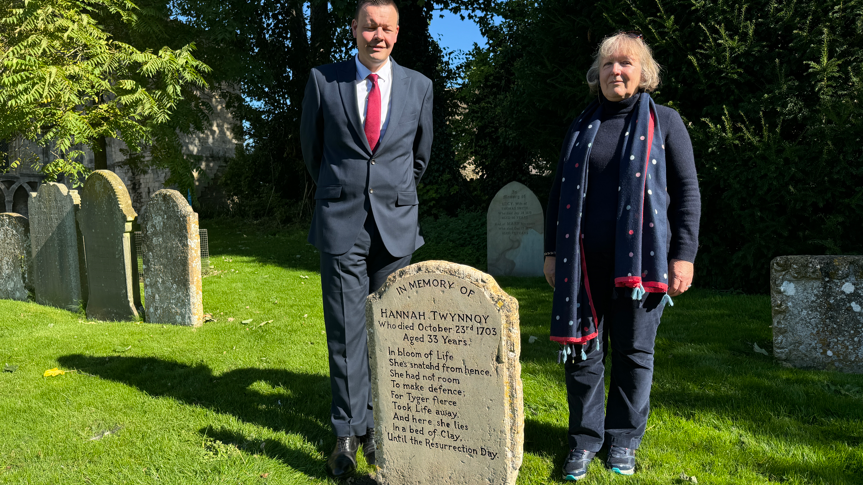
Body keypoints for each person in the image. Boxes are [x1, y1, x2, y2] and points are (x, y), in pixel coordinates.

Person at [543, 32, 700, 481]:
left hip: (642, 265)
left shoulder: (666, 122)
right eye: (609, 64)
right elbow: (558, 194)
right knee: (584, 354)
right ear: (598, 73)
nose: (617, 71)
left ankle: (624, 439)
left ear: (643, 73)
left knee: (634, 353)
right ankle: (584, 441)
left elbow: (687, 192)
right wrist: (553, 251)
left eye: (627, 63)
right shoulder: (581, 124)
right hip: (582, 264)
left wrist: (683, 255)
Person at [299, 0, 433, 477]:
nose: (378, 35)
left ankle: (383, 424)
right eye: (369, 26)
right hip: (341, 222)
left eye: (387, 28)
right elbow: (312, 152)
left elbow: (420, 158)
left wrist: (391, 194)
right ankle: (348, 431)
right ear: (354, 29)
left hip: (395, 226)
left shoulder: (419, 86)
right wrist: (345, 191)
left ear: (397, 33)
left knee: (390, 330)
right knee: (345, 331)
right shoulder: (324, 80)